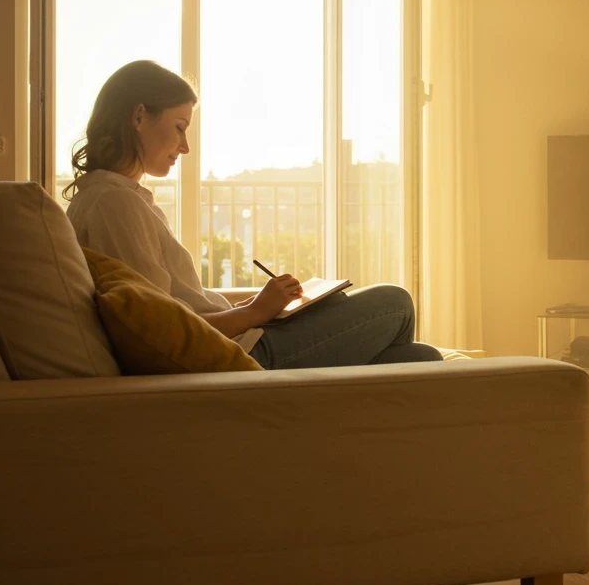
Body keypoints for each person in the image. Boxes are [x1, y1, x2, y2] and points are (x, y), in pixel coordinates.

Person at [64, 60, 443, 369]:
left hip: (238, 341)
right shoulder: (114, 205)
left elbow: (177, 310)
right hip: (245, 356)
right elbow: (162, 330)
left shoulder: (113, 198)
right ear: (139, 117)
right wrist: (257, 311)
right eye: (179, 128)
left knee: (420, 359)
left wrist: (255, 307)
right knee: (395, 302)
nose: (185, 147)